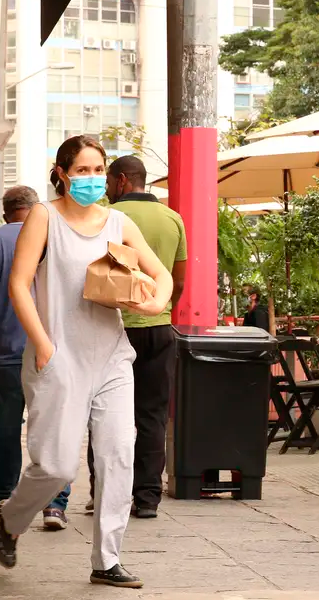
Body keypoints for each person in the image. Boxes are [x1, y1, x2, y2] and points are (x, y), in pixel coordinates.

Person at [0, 135, 173, 588]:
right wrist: (42, 344)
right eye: (82, 171)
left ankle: (106, 560)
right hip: (57, 355)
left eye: (99, 170)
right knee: (55, 466)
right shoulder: (45, 217)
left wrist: (156, 303)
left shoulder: (118, 222)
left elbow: (162, 274)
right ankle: (9, 522)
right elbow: (19, 284)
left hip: (112, 356)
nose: (92, 179)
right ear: (61, 173)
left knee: (118, 455)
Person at [99, 155, 187, 519]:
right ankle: (148, 498)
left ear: (120, 181)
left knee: (102, 414)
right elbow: (178, 281)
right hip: (157, 328)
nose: (103, 187)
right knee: (151, 415)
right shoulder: (172, 218)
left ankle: (102, 494)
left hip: (112, 329)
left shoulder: (106, 216)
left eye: (105, 179)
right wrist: (161, 309)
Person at [0, 186, 71, 532]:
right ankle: (54, 506)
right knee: (55, 429)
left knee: (7, 428)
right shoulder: (52, 241)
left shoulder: (0, 240)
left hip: (5, 354)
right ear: (35, 210)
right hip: (52, 350)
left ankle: (6, 495)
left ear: (5, 213)